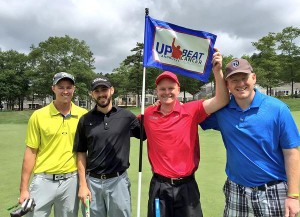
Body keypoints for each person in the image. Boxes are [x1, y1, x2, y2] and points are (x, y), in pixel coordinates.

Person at [200, 58, 300, 217]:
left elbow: (292, 153)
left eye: (244, 78)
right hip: (236, 190)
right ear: (227, 85)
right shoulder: (221, 111)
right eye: (234, 80)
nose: (240, 84)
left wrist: (293, 196)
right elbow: (191, 115)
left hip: (272, 191)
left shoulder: (278, 109)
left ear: (253, 78)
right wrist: (165, 105)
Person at [142, 49, 229, 217]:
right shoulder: (148, 114)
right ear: (156, 91)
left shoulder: (192, 109)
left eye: (171, 88)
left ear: (178, 88)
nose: (167, 92)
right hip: (159, 186)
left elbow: (222, 100)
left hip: (187, 186)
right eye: (162, 89)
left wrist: (217, 72)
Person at [73, 76, 145, 217]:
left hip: (118, 182)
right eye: (97, 91)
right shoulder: (85, 120)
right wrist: (82, 184)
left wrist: (150, 112)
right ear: (92, 94)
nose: (101, 94)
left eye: (104, 89)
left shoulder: (127, 117)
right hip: (92, 183)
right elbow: (81, 153)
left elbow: (145, 135)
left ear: (112, 90)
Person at [18, 72, 88, 217]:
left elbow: (84, 152)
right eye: (61, 87)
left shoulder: (84, 115)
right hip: (43, 180)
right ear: (53, 88)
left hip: (71, 181)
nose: (65, 91)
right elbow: (31, 152)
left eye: (69, 87)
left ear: (74, 89)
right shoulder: (38, 115)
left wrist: (83, 184)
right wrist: (24, 189)